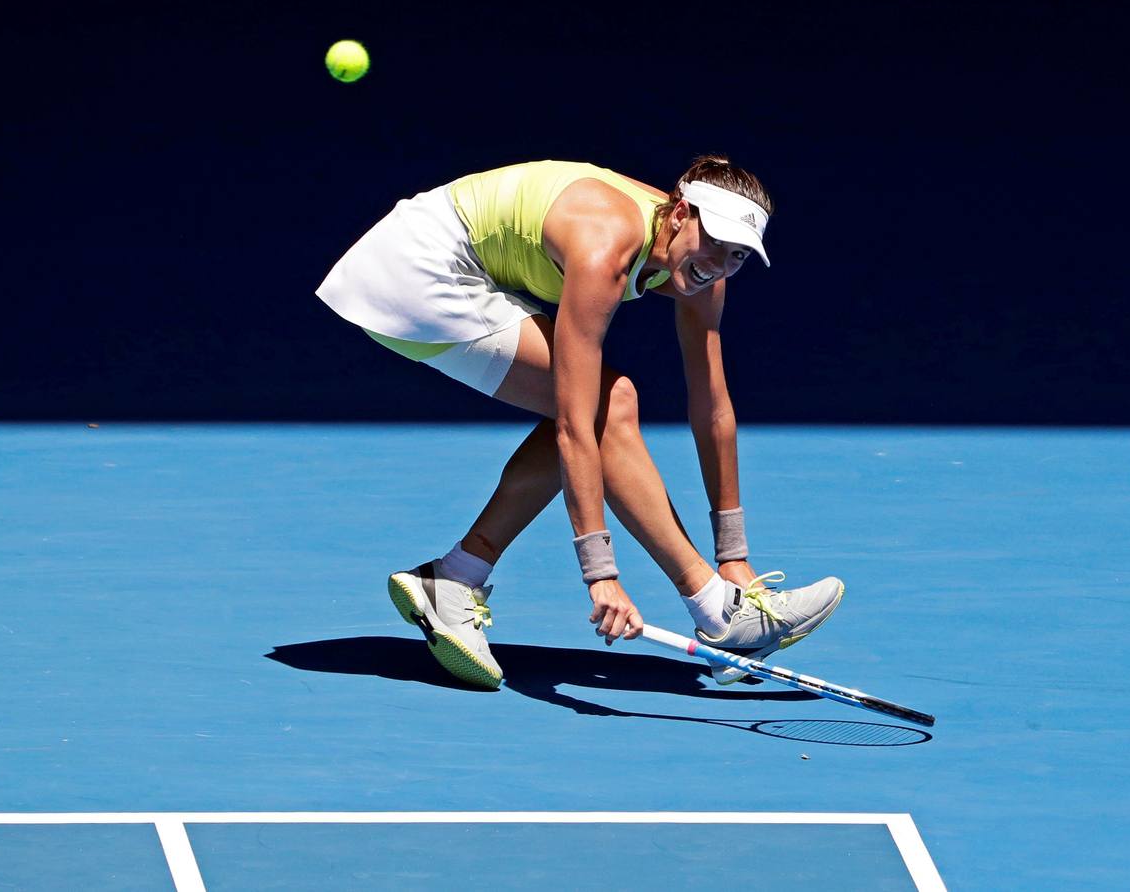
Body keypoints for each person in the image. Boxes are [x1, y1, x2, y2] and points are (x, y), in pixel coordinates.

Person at [314, 156, 843, 690]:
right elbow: (574, 424)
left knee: (599, 399)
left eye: (738, 255)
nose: (719, 263)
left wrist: (736, 556)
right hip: (416, 271)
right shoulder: (603, 245)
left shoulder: (706, 273)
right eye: (715, 242)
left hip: (456, 262)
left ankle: (454, 579)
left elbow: (713, 405)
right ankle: (720, 614)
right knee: (607, 405)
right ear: (680, 212)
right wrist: (601, 575)